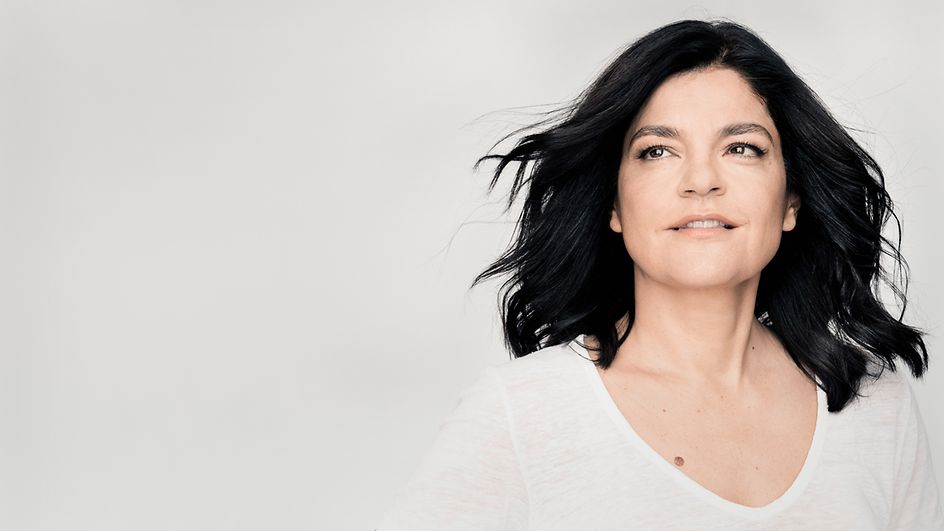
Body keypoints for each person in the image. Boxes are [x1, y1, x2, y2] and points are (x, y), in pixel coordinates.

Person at [377, 18, 944, 530]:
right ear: (614, 205)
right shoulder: (520, 415)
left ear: (791, 200)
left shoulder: (878, 406)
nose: (701, 180)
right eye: (656, 151)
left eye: (742, 148)